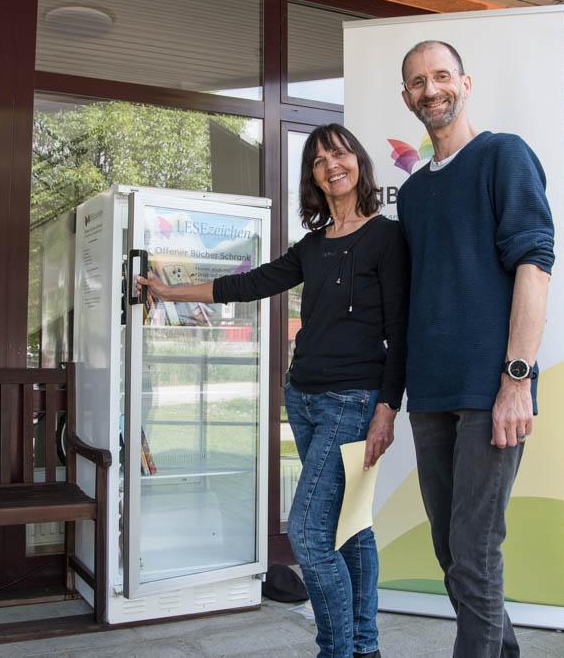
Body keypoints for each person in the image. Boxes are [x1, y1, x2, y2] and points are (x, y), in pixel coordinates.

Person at [138, 123, 408, 658]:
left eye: (340, 153)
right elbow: (248, 283)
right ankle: (365, 647)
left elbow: (401, 330)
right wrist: (170, 290)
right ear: (313, 177)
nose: (332, 164)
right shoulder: (312, 247)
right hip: (304, 401)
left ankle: (339, 649)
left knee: (308, 536)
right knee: (350, 527)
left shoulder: (387, 237)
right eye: (319, 159)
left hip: (352, 404)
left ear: (358, 162)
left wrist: (387, 409)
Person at [395, 40, 555, 658]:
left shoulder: (502, 154)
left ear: (465, 82)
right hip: (430, 393)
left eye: (440, 77)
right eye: (417, 82)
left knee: (475, 549)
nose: (430, 90)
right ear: (405, 97)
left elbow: (534, 266)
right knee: (451, 551)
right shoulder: (411, 195)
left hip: (491, 389)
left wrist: (517, 380)